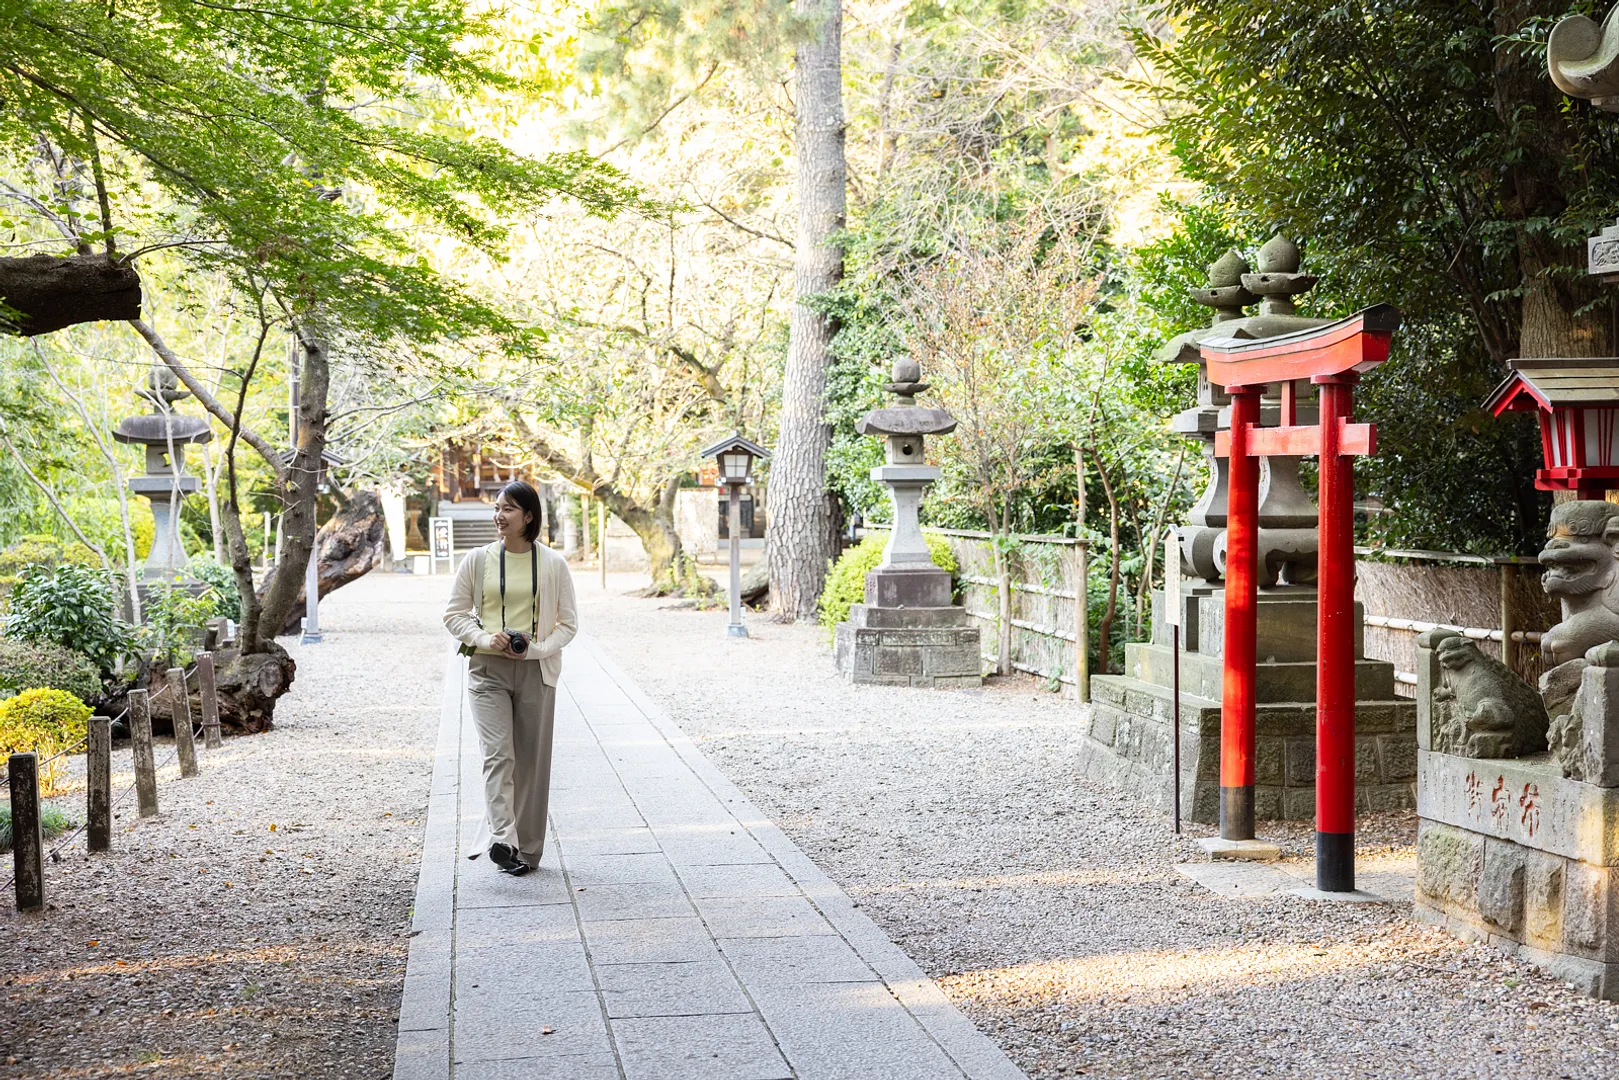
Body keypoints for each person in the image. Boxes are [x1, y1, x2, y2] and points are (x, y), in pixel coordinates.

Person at [443, 481, 578, 875]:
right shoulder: (478, 560)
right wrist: (485, 637)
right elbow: (454, 614)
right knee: (498, 756)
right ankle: (504, 839)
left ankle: (529, 851)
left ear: (529, 516)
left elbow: (568, 625)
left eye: (508, 509)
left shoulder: (553, 564)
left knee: (532, 764)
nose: (499, 516)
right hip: (487, 669)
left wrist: (535, 648)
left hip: (536, 669)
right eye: (497, 508)